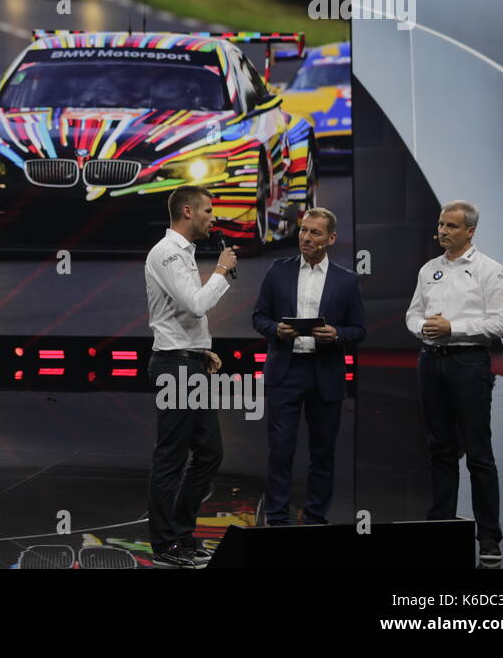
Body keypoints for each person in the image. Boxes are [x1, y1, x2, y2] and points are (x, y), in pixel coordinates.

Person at [405, 200, 503, 564]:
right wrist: (424, 327)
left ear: (470, 231)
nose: (442, 231)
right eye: (440, 225)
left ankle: (490, 539)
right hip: (430, 362)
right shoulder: (428, 270)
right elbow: (412, 314)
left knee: (479, 454)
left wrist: (455, 328)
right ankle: (440, 528)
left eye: (451, 226)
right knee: (440, 450)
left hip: (469, 364)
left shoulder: (490, 270)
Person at [251, 207, 366, 527]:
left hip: (325, 371)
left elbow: (359, 330)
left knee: (323, 452)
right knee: (280, 450)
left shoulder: (346, 280)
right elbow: (258, 317)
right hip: (285, 371)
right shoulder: (278, 270)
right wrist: (276, 329)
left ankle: (315, 518)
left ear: (331, 238)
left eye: (315, 233)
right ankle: (277, 518)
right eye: (303, 230)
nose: (306, 237)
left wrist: (336, 334)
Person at [144, 185, 238, 568]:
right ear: (188, 211)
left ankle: (183, 535)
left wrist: (202, 350)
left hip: (189, 362)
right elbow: (196, 304)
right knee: (171, 457)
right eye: (208, 210)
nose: (213, 217)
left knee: (210, 452)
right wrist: (221, 270)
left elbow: (184, 315)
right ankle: (165, 544)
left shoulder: (184, 253)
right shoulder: (166, 253)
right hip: (173, 366)